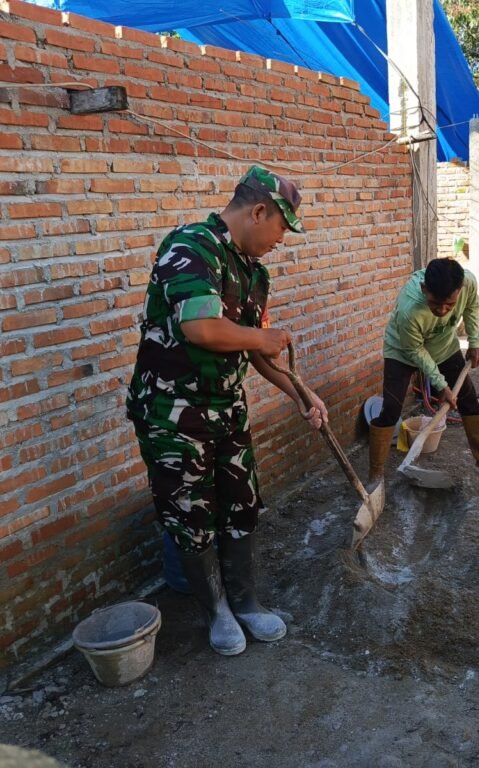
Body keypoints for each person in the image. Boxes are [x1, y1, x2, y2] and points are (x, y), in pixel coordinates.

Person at [127, 165, 328, 657]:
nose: (282, 240)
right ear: (259, 211)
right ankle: (215, 612)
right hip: (174, 418)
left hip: (226, 414)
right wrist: (262, 337)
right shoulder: (189, 248)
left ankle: (247, 601)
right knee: (192, 518)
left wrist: (303, 395)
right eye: (282, 228)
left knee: (241, 507)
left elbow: (257, 351)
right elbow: (203, 328)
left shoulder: (253, 273)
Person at [368, 257, 479, 485]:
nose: (443, 310)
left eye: (450, 304)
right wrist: (442, 386)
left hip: (444, 347)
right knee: (391, 408)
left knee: (469, 400)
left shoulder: (468, 283)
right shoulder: (410, 309)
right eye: (436, 304)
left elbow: (471, 307)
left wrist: (475, 342)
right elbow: (416, 351)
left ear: (460, 290)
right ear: (424, 289)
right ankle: (376, 474)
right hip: (402, 350)